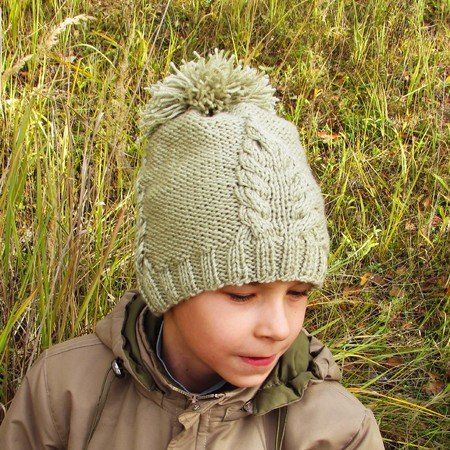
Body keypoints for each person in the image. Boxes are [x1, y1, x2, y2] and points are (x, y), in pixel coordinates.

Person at [0, 50, 384, 449]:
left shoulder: (338, 433)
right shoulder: (62, 389)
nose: (279, 328)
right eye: (242, 294)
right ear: (169, 285)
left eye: (297, 293)